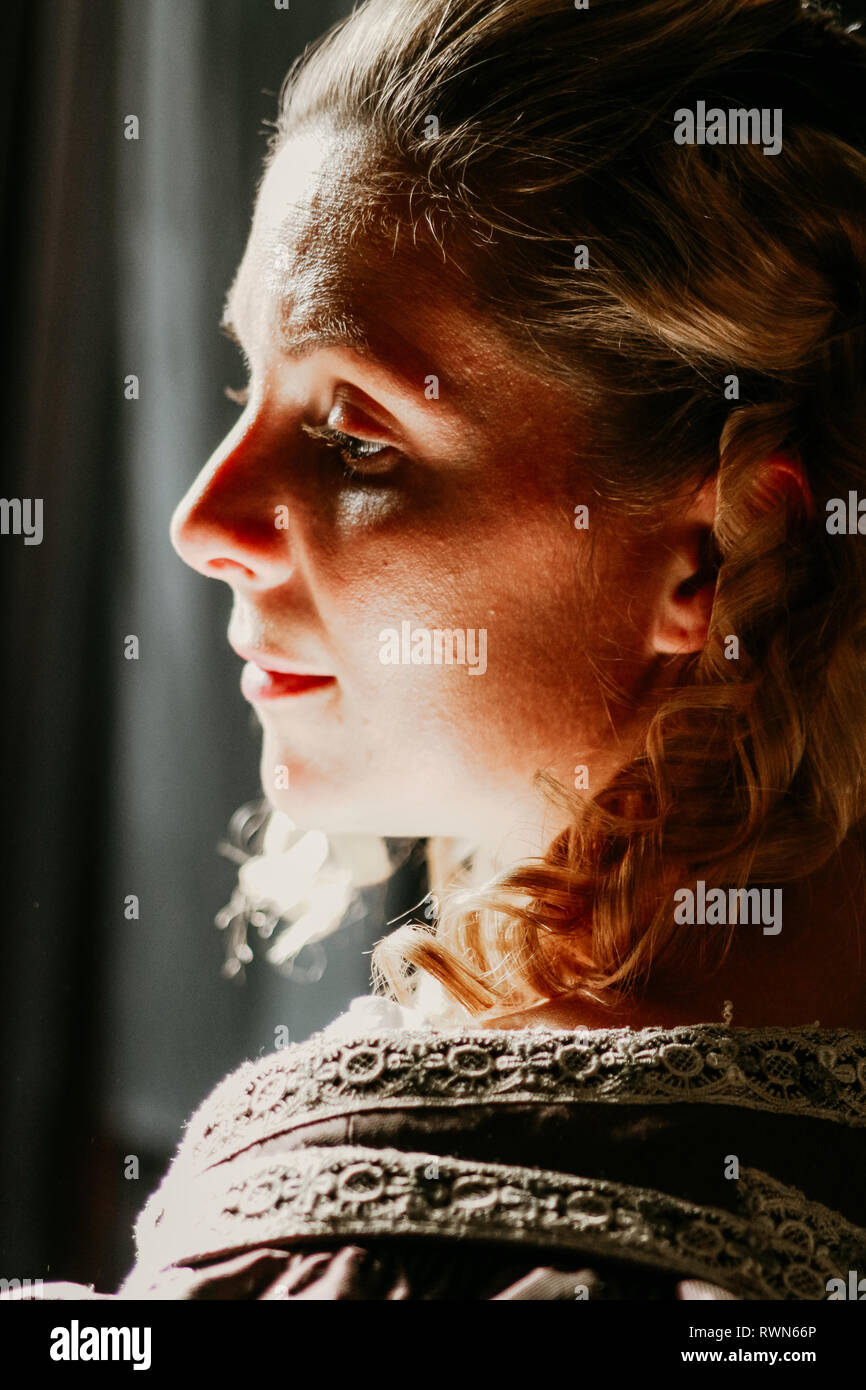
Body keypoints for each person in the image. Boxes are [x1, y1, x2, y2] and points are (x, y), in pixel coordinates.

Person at [23, 0, 866, 1299]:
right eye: (248, 384)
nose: (202, 520)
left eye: (357, 435)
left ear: (720, 547)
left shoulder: (378, 1251)